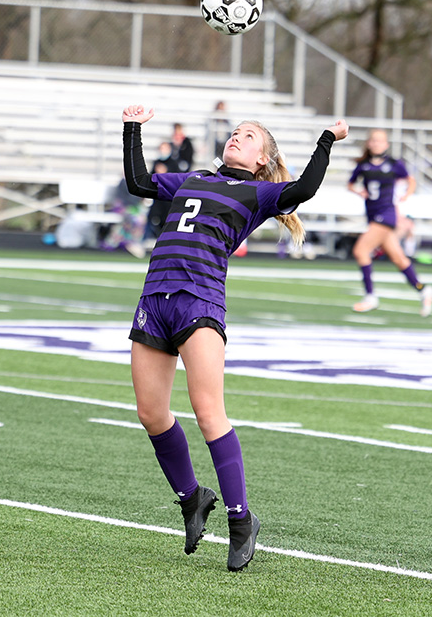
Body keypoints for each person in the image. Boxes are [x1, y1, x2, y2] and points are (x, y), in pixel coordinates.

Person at [122, 103, 349, 572]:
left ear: (262, 158)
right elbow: (139, 183)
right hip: (155, 298)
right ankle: (192, 500)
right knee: (151, 413)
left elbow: (305, 188)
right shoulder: (193, 179)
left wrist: (326, 138)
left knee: (209, 413)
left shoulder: (261, 193)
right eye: (235, 133)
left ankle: (241, 519)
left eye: (249, 136)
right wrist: (133, 129)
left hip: (200, 302)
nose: (236, 138)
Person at [347, 129, 432, 316]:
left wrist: (406, 195)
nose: (377, 144)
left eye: (380, 141)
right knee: (398, 258)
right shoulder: (363, 166)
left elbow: (411, 180)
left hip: (386, 214)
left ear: (386, 144)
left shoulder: (393, 164)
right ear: (369, 143)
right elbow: (351, 184)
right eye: (374, 140)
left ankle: (370, 296)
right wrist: (358, 192)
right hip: (373, 215)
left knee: (360, 251)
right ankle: (423, 289)